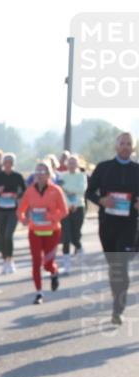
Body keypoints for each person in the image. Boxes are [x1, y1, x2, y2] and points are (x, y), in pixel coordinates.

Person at [85, 131, 139, 326]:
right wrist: (101, 200)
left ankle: (118, 309)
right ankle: (117, 294)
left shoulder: (137, 169)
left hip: (130, 225)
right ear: (116, 146)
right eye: (122, 143)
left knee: (121, 265)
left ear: (133, 148)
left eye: (128, 143)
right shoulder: (104, 168)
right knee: (114, 266)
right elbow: (89, 192)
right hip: (107, 225)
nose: (125, 146)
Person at [18, 162, 68, 305]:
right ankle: (39, 293)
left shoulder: (56, 190)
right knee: (36, 263)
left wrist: (51, 217)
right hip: (35, 232)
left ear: (48, 174)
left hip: (52, 231)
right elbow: (21, 210)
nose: (40, 175)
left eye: (43, 172)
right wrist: (23, 219)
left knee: (47, 264)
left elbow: (64, 211)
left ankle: (53, 272)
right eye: (37, 172)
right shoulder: (29, 191)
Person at [0, 153, 27, 274]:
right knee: (1, 237)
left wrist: (18, 196)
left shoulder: (17, 176)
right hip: (0, 210)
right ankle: (4, 260)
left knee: (8, 235)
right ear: (3, 164)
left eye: (10, 163)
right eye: (6, 162)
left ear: (13, 164)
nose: (8, 165)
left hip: (13, 210)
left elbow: (25, 191)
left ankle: (10, 259)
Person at [59, 154, 88, 274]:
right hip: (65, 208)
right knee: (66, 236)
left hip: (78, 207)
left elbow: (81, 190)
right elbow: (60, 191)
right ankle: (66, 264)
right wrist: (68, 192)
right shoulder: (62, 176)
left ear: (77, 164)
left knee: (75, 235)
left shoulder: (81, 175)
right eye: (69, 162)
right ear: (66, 164)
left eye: (73, 162)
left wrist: (67, 188)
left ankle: (80, 250)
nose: (71, 165)